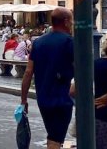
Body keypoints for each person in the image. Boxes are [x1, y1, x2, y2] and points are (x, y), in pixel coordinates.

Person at [20, 8, 74, 149]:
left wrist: (24, 100)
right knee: (55, 139)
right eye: (72, 20)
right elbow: (80, 70)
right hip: (63, 99)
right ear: (66, 22)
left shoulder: (38, 43)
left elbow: (28, 72)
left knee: (53, 135)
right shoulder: (70, 42)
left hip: (43, 99)